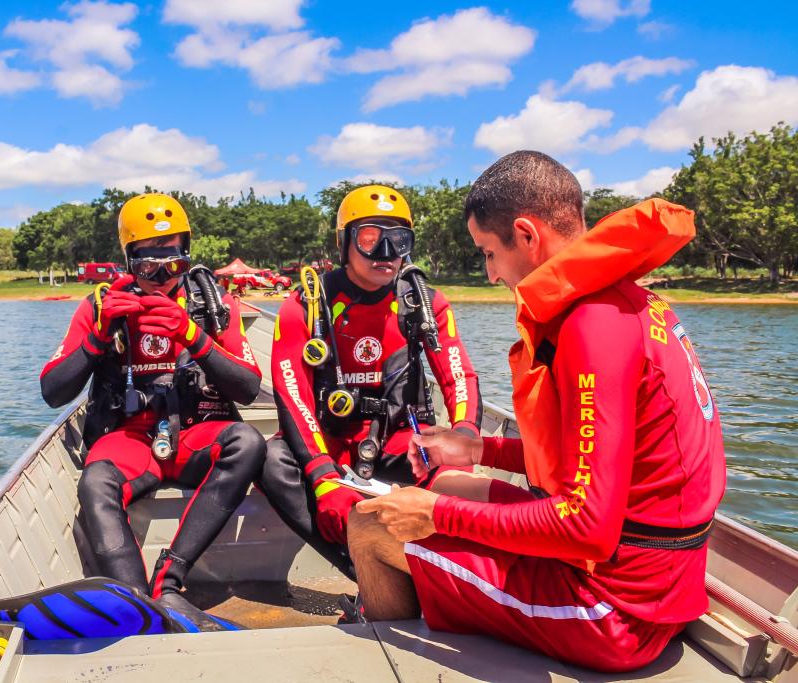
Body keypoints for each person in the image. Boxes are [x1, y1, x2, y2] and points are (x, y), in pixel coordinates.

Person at [349, 151, 727, 672]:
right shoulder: (629, 300)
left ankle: (392, 656)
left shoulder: (590, 326)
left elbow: (586, 526)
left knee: (369, 525)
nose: (489, 273)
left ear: (526, 235)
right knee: (451, 481)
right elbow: (598, 462)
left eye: (488, 253)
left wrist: (432, 515)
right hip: (659, 579)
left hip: (614, 609)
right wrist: (477, 448)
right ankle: (437, 591)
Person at [40, 192, 266, 613]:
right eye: (148, 264)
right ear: (129, 260)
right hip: (129, 437)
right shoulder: (100, 306)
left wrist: (192, 336)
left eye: (174, 263)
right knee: (95, 482)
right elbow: (53, 391)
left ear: (187, 255)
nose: (162, 275)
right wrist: (99, 335)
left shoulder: (212, 306)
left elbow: (249, 388)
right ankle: (138, 602)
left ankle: (170, 580)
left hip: (196, 431)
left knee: (249, 443)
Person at [259, 184, 482, 576]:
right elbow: (292, 395)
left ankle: (442, 567)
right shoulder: (306, 307)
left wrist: (462, 436)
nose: (386, 254)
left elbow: (458, 376)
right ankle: (363, 567)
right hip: (332, 442)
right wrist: (322, 476)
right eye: (370, 240)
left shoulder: (424, 304)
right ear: (345, 243)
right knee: (269, 459)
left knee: (454, 473)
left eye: (398, 241)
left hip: (401, 442)